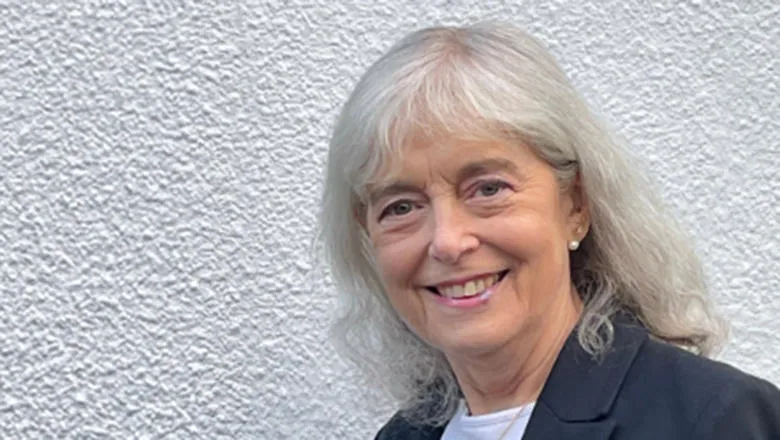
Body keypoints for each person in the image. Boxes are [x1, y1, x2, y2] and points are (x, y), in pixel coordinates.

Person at [318, 22, 780, 439]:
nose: (447, 240)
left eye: (488, 188)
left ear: (575, 205)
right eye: (401, 206)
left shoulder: (713, 422)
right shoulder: (402, 438)